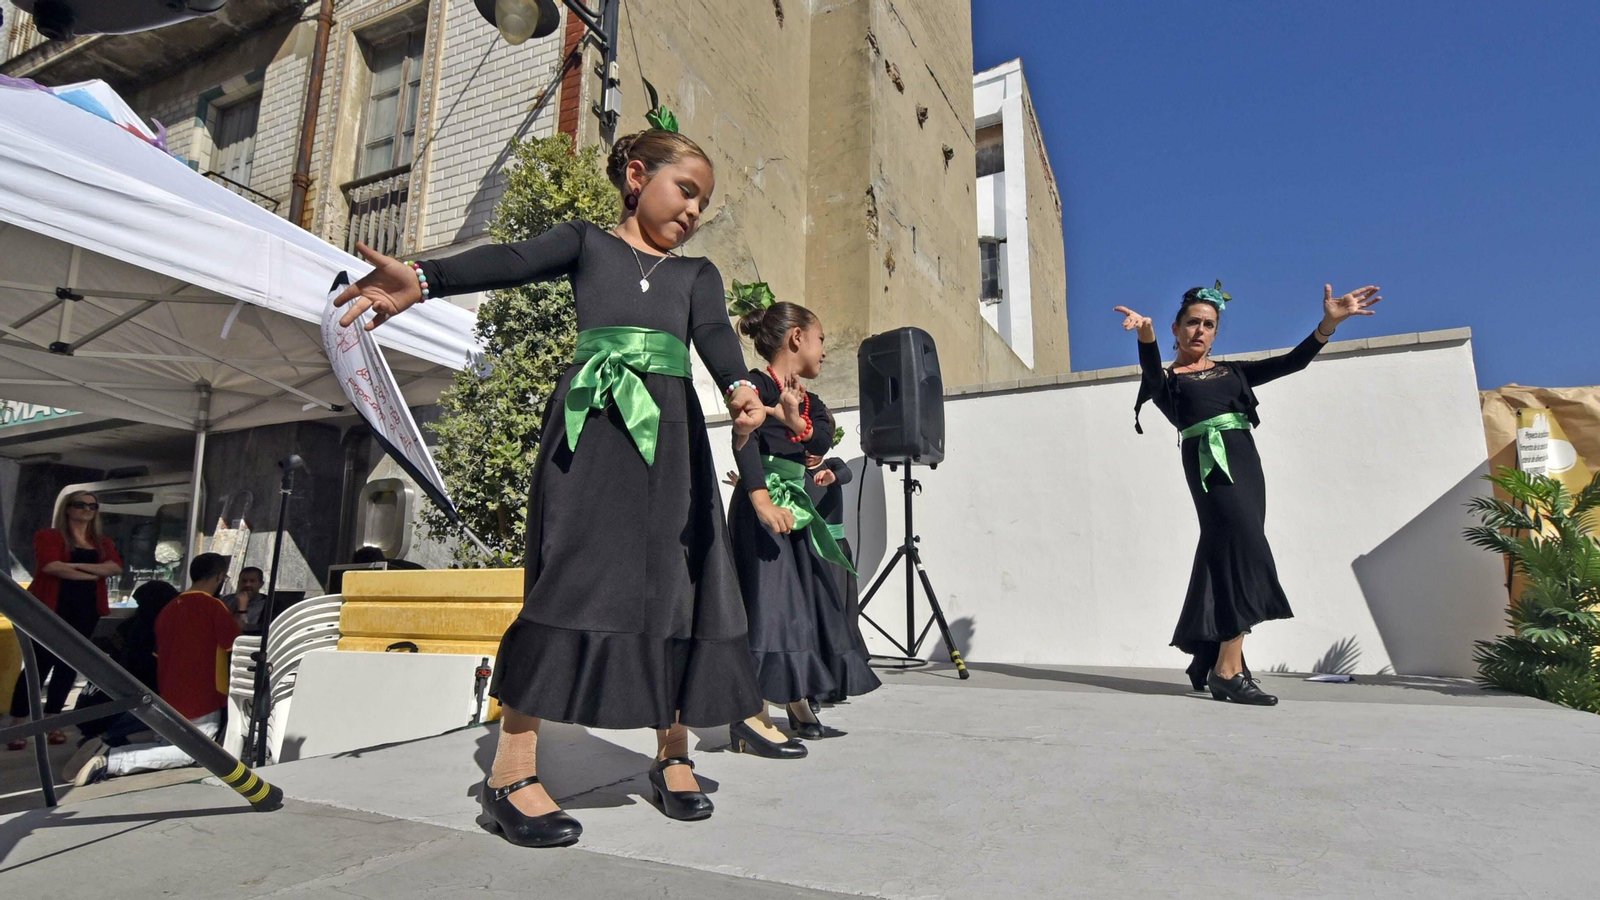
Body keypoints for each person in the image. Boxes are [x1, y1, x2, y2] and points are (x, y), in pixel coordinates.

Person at [333, 117, 769, 847]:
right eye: (684, 191)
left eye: (702, 203)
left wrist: (739, 386)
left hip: (671, 438)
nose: (693, 211)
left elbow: (718, 334)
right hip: (591, 426)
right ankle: (509, 771)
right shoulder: (586, 243)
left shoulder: (697, 276)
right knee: (568, 576)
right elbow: (509, 259)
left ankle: (672, 753)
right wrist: (427, 279)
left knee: (678, 580)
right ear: (637, 178)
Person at [1118, 282, 1381, 705]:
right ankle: (1228, 669)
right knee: (1248, 552)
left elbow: (1292, 363)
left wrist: (1328, 324)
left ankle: (1208, 654)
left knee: (1221, 554)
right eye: (1192, 323)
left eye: (1208, 324)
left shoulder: (1233, 372)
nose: (1199, 331)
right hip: (1208, 466)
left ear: (1215, 332)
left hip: (1245, 464)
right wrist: (1144, 335)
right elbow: (1150, 373)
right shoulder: (1167, 382)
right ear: (1176, 327)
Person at [726, 301, 880, 757]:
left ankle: (797, 701)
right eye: (821, 339)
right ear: (796, 338)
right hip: (764, 505)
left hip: (799, 509)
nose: (824, 351)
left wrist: (794, 419)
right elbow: (743, 441)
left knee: (803, 605)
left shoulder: (811, 401)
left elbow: (820, 439)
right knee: (769, 607)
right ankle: (750, 717)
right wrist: (760, 497)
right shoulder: (753, 386)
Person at [64, 553, 240, 785]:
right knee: (196, 752)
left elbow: (158, 652)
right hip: (204, 693)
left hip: (169, 692)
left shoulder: (168, 609)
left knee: (168, 742)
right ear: (219, 577)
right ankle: (111, 760)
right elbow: (236, 644)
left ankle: (111, 742)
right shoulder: (213, 606)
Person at [4, 491, 122, 750]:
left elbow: (114, 567)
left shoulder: (101, 541)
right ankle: (18, 724)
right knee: (39, 664)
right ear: (68, 509)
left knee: (69, 666)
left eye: (92, 506)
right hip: (52, 607)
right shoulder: (50, 536)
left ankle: (52, 722)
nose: (87, 510)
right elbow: (51, 566)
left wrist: (77, 568)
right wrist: (94, 573)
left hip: (87, 609)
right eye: (80, 504)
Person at [807, 453, 868, 706]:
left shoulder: (833, 464)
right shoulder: (794, 470)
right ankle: (815, 684)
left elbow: (846, 473)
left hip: (833, 552)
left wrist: (832, 477)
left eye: (816, 446)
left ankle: (839, 679)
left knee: (836, 610)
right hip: (808, 550)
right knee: (813, 614)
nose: (810, 453)